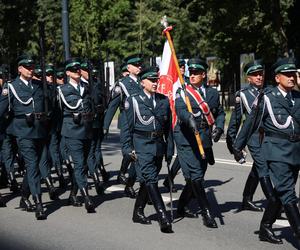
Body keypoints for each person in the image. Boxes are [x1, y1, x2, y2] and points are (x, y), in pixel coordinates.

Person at [233, 57, 300, 244]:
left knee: (281, 191)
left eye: (293, 74)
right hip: (276, 151)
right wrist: (238, 146)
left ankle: (265, 227)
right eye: (287, 75)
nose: (291, 78)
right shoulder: (267, 98)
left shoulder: (298, 98)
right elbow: (250, 123)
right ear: (277, 78)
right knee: (288, 192)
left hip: (295, 151)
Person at [174, 58, 225, 228]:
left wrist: (219, 127)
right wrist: (189, 119)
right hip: (186, 138)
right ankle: (207, 213)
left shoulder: (212, 93)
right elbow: (180, 110)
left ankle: (180, 207)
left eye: (196, 73)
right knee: (196, 175)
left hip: (204, 138)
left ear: (204, 74)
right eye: (191, 72)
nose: (193, 75)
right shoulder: (183, 91)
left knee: (196, 177)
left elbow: (219, 112)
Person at [123, 66, 174, 233]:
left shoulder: (163, 100)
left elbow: (168, 129)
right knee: (151, 179)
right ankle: (163, 217)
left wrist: (169, 149)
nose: (155, 83)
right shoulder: (133, 100)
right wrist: (127, 148)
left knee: (147, 179)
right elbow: (127, 127)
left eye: (156, 80)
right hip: (142, 144)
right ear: (142, 81)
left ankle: (137, 212)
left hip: (159, 145)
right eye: (151, 80)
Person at [0, 54, 49, 220]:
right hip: (23, 131)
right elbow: (1, 109)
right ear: (19, 69)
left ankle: (24, 197)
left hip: (40, 130)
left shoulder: (38, 84)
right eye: (27, 67)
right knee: (33, 165)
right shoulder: (11, 86)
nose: (30, 69)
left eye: (32, 67)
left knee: (40, 165)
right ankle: (39, 203)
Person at [227, 60, 271, 212]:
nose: (259, 77)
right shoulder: (243, 95)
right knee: (263, 167)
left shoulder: (268, 92)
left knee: (258, 168)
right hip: (253, 137)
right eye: (255, 75)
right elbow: (235, 122)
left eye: (261, 74)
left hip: (268, 137)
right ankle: (274, 203)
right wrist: (233, 144)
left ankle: (247, 199)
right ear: (248, 78)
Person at [57, 58, 95, 213]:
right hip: (72, 131)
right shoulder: (63, 90)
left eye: (78, 69)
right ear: (67, 73)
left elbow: (90, 105)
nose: (77, 72)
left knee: (84, 165)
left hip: (86, 129)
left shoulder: (86, 87)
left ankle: (73, 194)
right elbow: (63, 110)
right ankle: (86, 197)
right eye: (73, 70)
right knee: (79, 164)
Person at [103, 54, 143, 198]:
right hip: (127, 122)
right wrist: (105, 126)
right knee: (130, 153)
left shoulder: (143, 82)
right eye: (136, 65)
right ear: (129, 68)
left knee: (139, 155)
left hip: (141, 124)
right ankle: (125, 177)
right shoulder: (122, 84)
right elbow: (113, 106)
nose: (139, 67)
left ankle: (129, 183)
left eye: (140, 65)